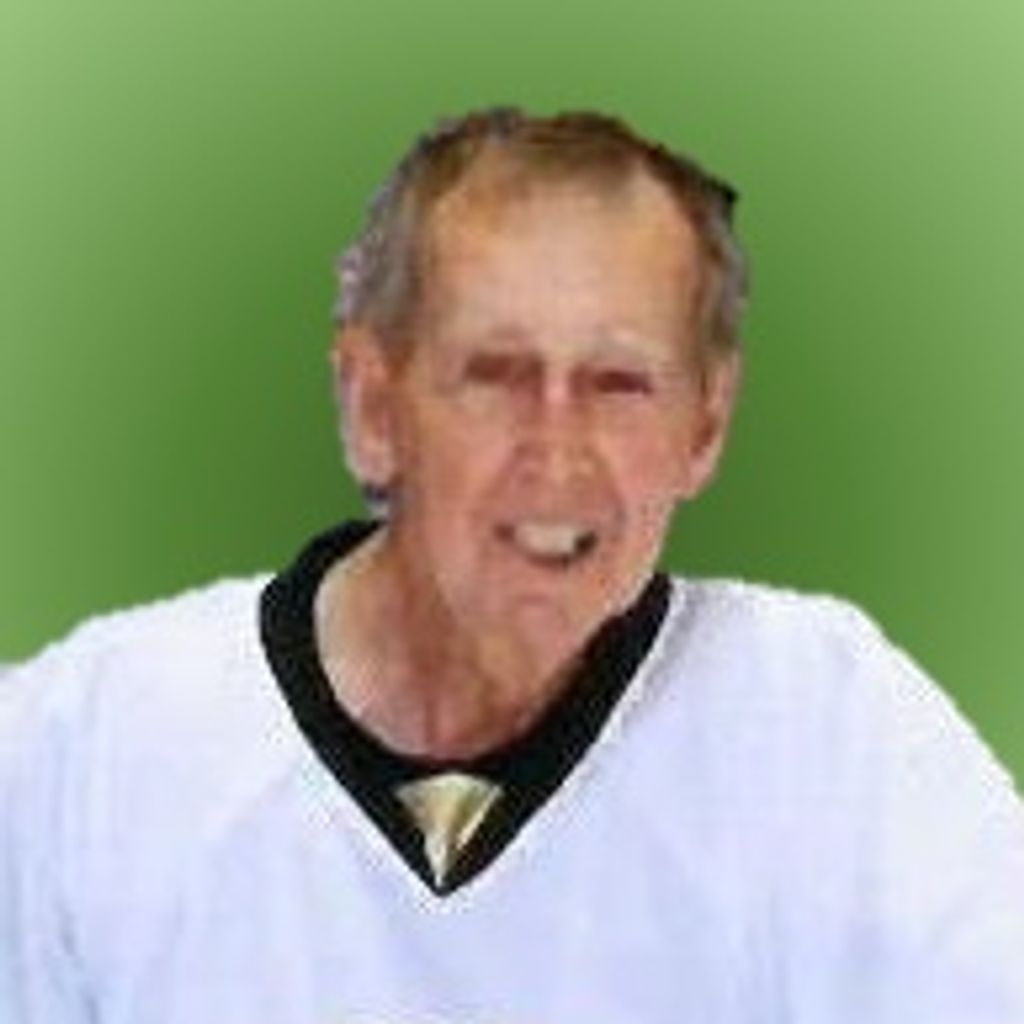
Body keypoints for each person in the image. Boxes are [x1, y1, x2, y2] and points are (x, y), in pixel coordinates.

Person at [2, 107, 1023, 1023]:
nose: (557, 455)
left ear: (707, 425)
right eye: (494, 375)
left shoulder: (828, 729)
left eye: (619, 384)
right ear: (371, 405)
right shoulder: (87, 746)